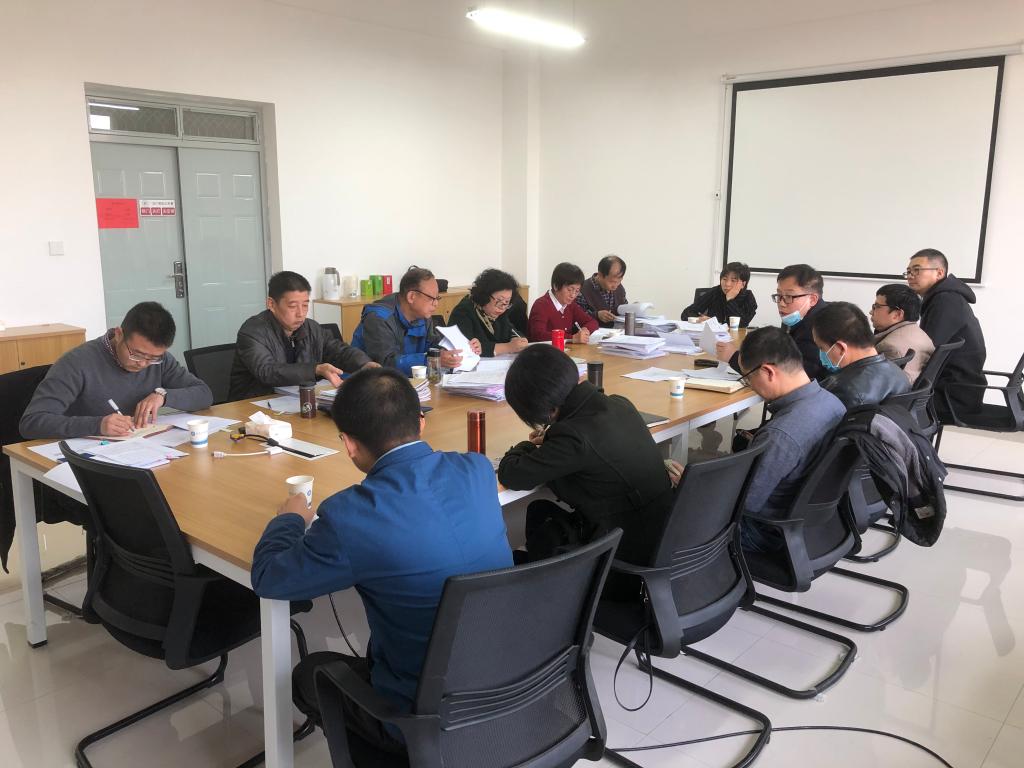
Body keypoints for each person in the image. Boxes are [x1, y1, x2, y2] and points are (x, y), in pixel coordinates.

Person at [251, 367, 512, 751]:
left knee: (309, 674)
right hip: (514, 685)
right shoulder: (477, 470)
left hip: (424, 719)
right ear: (420, 422)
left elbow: (269, 577)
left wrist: (289, 519)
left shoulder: (350, 515)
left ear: (348, 444)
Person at [497, 344, 674, 565]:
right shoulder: (620, 404)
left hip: (625, 556)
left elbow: (511, 474)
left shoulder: (573, 437)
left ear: (539, 407)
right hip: (663, 538)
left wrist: (527, 445)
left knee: (539, 525)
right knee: (540, 513)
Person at [20, 302, 212, 439]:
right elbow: (32, 422)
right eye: (136, 354)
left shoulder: (159, 361)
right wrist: (97, 425)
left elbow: (204, 394)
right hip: (85, 459)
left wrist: (163, 395)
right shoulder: (77, 363)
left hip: (138, 450)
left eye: (153, 358)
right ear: (119, 334)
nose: (143, 364)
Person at [733, 327, 846, 553]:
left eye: (748, 378)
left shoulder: (779, 435)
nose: (750, 385)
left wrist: (697, 487)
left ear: (768, 372)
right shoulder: (833, 402)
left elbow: (744, 504)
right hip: (813, 526)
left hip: (765, 532)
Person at [229, 271, 377, 401]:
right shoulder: (253, 331)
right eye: (292, 306)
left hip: (297, 402)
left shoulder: (312, 328)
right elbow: (267, 371)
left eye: (305, 305)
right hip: (252, 407)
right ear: (272, 304)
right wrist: (315, 369)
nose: (301, 313)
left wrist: (364, 363)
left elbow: (338, 351)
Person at [351, 266, 480, 375]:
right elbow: (385, 364)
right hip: (366, 384)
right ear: (412, 296)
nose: (436, 304)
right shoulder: (379, 318)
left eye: (437, 298)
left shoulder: (423, 315)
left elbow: (435, 345)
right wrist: (432, 360)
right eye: (432, 298)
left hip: (410, 382)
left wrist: (463, 349)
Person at [905, 248, 987, 418]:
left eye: (917, 270)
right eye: (908, 271)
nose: (910, 276)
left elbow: (927, 348)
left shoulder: (945, 300)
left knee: (887, 401)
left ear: (939, 273)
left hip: (952, 395)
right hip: (959, 389)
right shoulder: (945, 298)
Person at [717, 263, 829, 381]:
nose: (781, 303)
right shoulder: (796, 317)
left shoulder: (818, 328)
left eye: (789, 296)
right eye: (779, 295)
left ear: (812, 299)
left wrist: (734, 358)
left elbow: (791, 378)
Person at [811, 302, 910, 409]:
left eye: (821, 348)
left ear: (841, 348)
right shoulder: (898, 373)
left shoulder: (845, 391)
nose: (821, 353)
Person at [448, 269, 529, 357]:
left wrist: (517, 340)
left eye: (507, 302)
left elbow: (512, 331)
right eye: (499, 301)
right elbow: (464, 348)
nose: (502, 307)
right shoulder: (463, 312)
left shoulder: (500, 313)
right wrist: (507, 347)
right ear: (485, 296)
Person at [870, 284, 934, 385]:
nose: (871, 312)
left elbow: (877, 386)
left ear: (898, 314)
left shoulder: (890, 347)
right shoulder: (922, 335)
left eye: (876, 307)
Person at [527, 262, 599, 343]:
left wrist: (585, 330)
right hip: (544, 349)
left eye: (577, 291)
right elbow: (538, 335)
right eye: (569, 290)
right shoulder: (541, 305)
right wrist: (572, 338)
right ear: (556, 286)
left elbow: (592, 322)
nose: (573, 295)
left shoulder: (570, 305)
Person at [681, 261, 758, 327]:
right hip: (712, 336)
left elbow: (742, 324)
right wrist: (698, 319)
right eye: (724, 279)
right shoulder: (715, 292)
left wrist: (730, 300)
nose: (727, 284)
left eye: (733, 280)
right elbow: (686, 314)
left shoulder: (748, 297)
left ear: (743, 284)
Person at [576, 255, 627, 328]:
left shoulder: (619, 288)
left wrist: (632, 308)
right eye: (612, 282)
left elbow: (623, 306)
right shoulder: (583, 290)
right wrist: (597, 315)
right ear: (600, 275)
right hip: (593, 333)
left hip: (617, 332)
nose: (615, 286)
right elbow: (576, 317)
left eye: (619, 281)